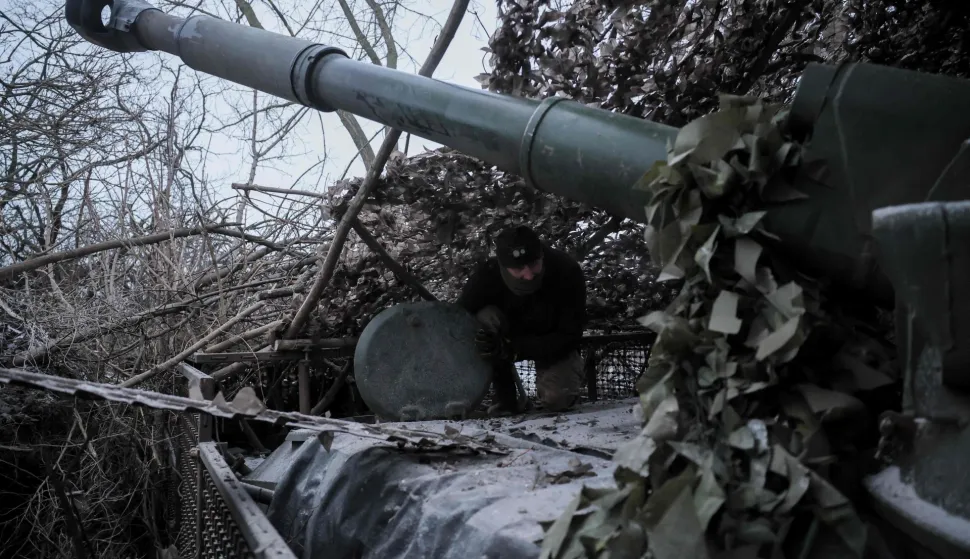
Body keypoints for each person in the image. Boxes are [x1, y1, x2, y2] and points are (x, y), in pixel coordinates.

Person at [457, 224, 587, 414]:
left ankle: (564, 390)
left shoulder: (567, 271)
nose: (528, 275)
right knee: (483, 318)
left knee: (557, 399)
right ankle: (504, 397)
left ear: (542, 255)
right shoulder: (486, 276)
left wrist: (516, 349)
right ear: (503, 266)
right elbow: (458, 319)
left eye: (534, 264)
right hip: (504, 341)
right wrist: (489, 345)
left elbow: (571, 335)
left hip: (554, 344)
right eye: (518, 268)